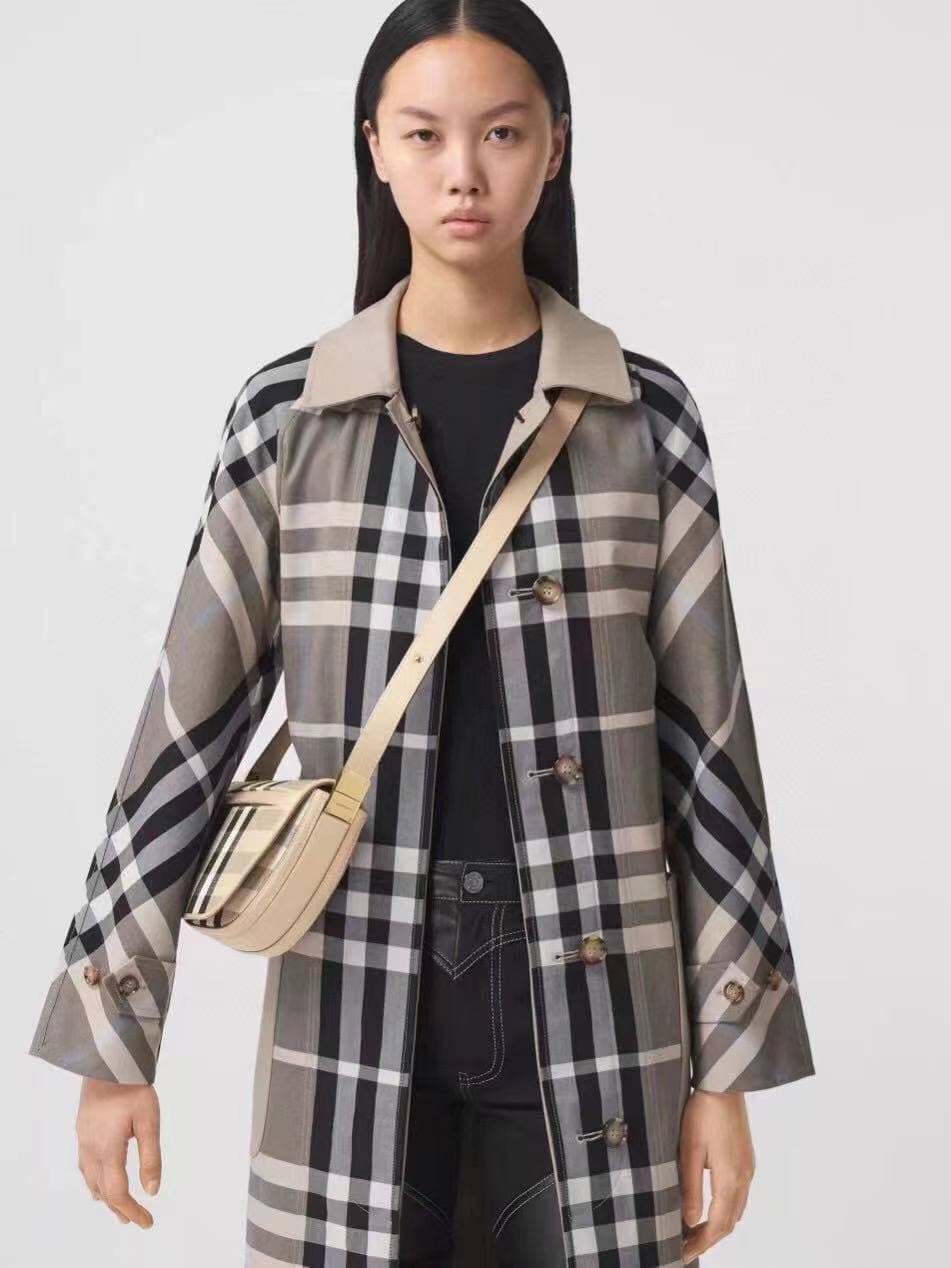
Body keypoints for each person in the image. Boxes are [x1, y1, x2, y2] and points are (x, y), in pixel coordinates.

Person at [27, 2, 816, 1265]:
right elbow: (185, 730)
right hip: (353, 985)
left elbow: (711, 751)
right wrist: (114, 1040)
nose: (463, 172)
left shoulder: (642, 417)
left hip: (596, 992)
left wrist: (726, 1066)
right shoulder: (291, 417)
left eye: (501, 132)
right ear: (376, 151)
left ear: (555, 146)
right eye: (425, 134)